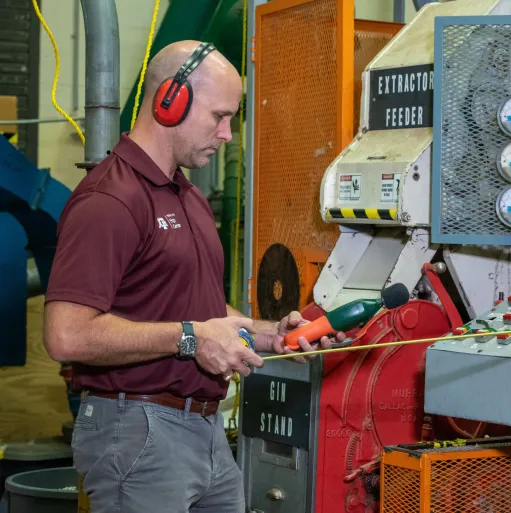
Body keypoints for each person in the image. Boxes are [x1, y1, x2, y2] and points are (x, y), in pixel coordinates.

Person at [43, 40, 343, 513]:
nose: (227, 134)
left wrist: (263, 334)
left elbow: (192, 305)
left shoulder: (187, 197)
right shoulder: (111, 200)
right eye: (219, 116)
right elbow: (65, 335)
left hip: (201, 431)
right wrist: (191, 339)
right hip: (138, 429)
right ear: (171, 100)